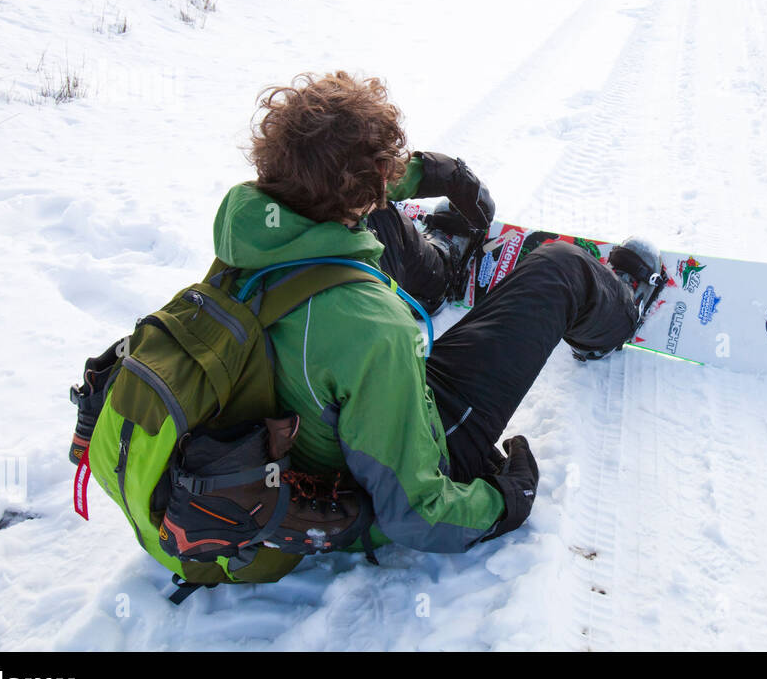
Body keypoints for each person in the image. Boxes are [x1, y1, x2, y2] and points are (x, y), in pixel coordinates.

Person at [211, 71, 663, 554]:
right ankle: (617, 318)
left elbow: (352, 187)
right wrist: (501, 502)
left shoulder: (251, 233)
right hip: (393, 455)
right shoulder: (374, 330)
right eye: (383, 175)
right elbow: (417, 514)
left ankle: (438, 273)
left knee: (381, 218)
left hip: (318, 420)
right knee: (562, 268)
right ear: (366, 184)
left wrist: (433, 173)